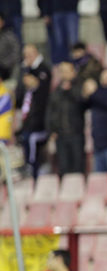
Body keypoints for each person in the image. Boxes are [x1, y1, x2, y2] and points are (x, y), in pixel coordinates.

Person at [16, 44, 52, 179]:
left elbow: (42, 91)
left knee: (32, 140)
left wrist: (33, 81)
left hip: (40, 120)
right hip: (28, 118)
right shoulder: (25, 70)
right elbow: (19, 95)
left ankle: (32, 167)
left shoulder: (43, 69)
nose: (27, 58)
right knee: (24, 139)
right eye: (25, 55)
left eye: (30, 54)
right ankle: (30, 167)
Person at [46, 61, 86, 176]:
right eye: (62, 71)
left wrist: (70, 90)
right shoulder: (56, 91)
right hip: (60, 135)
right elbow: (50, 112)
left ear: (73, 72)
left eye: (67, 71)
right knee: (63, 167)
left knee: (78, 166)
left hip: (76, 133)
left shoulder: (79, 87)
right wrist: (51, 130)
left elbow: (82, 103)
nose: (64, 74)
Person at [83, 68, 107, 177]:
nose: (106, 79)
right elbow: (83, 104)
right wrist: (86, 92)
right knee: (99, 178)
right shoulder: (97, 94)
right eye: (104, 77)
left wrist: (93, 92)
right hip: (98, 143)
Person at [0, 12, 20, 81]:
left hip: (8, 68)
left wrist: (5, 63)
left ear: (2, 22)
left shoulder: (9, 35)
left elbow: (16, 52)